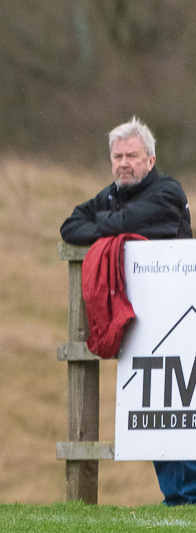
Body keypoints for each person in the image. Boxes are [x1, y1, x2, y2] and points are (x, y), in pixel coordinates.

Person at [60, 117, 196, 506]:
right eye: (117, 157)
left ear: (150, 160)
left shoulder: (168, 192)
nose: (124, 163)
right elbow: (70, 226)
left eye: (132, 156)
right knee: (154, 411)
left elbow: (130, 221)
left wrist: (107, 226)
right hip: (143, 322)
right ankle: (178, 498)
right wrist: (114, 227)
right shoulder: (110, 196)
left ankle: (186, 497)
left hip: (180, 317)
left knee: (182, 407)